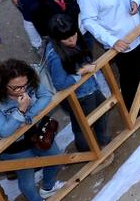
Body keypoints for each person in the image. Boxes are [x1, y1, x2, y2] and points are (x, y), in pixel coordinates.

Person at [0, 60, 64, 201]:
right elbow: (4, 130)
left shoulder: (29, 80)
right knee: (26, 177)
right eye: (16, 88)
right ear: (2, 85)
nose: (22, 90)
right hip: (14, 145)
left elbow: (45, 96)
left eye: (25, 85)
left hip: (35, 132)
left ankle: (48, 187)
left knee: (55, 158)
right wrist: (21, 110)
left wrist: (29, 114)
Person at [43, 14, 111, 152]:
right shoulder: (55, 57)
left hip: (89, 88)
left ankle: (101, 141)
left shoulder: (65, 44)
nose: (73, 40)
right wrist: (81, 72)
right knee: (82, 125)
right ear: (57, 39)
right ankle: (88, 151)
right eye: (67, 39)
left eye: (74, 35)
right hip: (81, 96)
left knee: (101, 110)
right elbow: (60, 83)